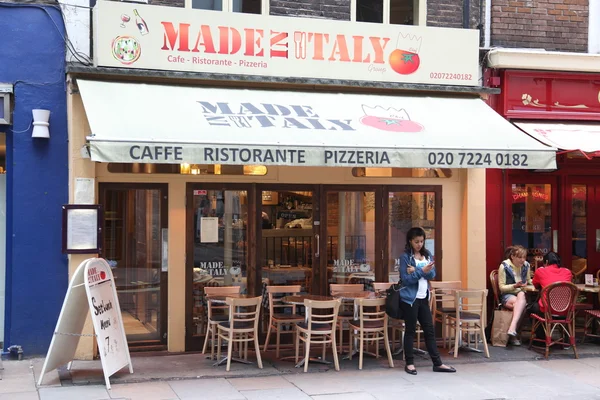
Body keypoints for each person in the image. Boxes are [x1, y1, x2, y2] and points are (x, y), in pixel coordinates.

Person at [399, 227, 456, 375]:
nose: (419, 244)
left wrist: (418, 271)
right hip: (410, 300)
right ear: (410, 241)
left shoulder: (427, 254)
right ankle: (410, 363)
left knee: (429, 331)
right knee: (410, 331)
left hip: (424, 297)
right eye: (416, 241)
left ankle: (437, 363)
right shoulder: (406, 257)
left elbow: (433, 273)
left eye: (421, 241)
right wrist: (421, 271)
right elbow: (406, 280)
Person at [530, 252, 573, 343]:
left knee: (531, 307)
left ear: (546, 261)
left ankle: (541, 337)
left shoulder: (541, 271)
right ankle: (566, 338)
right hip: (565, 311)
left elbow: (536, 285)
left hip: (547, 310)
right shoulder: (568, 272)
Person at [498, 245, 532, 345]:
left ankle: (512, 330)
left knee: (521, 296)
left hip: (521, 295)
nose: (522, 260)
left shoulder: (526, 265)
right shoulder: (504, 266)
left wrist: (528, 283)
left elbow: (529, 280)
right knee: (521, 306)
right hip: (508, 295)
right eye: (519, 257)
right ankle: (513, 333)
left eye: (524, 257)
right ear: (512, 256)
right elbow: (501, 287)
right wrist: (514, 286)